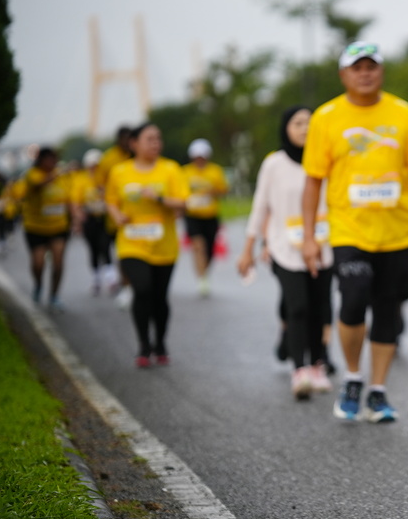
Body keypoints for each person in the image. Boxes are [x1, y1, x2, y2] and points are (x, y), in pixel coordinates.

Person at [301, 41, 408, 423]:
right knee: (352, 298)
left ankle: (378, 390)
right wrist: (310, 237)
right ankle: (352, 377)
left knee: (387, 310)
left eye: (371, 66)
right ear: (343, 74)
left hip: (399, 232)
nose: (365, 73)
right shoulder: (326, 117)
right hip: (349, 231)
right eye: (357, 67)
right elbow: (313, 181)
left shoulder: (404, 113)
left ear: (381, 71)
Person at [238, 106, 335, 400]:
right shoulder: (274, 164)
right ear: (286, 128)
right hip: (285, 248)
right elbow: (260, 207)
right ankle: (299, 370)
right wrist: (249, 249)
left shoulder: (327, 159)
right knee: (298, 307)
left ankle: (317, 365)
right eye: (298, 123)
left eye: (310, 123)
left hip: (323, 247)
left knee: (320, 309)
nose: (305, 128)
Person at [105, 123, 188, 368]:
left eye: (158, 139)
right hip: (131, 244)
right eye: (150, 139)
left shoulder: (170, 169)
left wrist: (159, 198)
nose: (156, 143)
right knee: (142, 289)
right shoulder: (120, 171)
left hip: (164, 245)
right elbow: (111, 200)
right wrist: (116, 215)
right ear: (134, 144)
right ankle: (143, 345)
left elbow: (183, 202)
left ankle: (160, 342)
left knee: (160, 297)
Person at [20, 146, 77, 310]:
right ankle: (38, 284)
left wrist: (76, 218)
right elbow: (37, 185)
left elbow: (68, 199)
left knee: (58, 262)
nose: (53, 163)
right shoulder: (33, 174)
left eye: (55, 159)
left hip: (58, 227)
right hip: (36, 227)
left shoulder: (62, 177)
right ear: (41, 160)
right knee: (39, 264)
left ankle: (54, 295)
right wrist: (57, 174)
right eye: (49, 159)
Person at [182, 138, 228, 298]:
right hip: (192, 215)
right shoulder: (185, 172)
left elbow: (224, 190)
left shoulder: (215, 171)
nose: (200, 159)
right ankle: (201, 279)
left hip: (210, 215)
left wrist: (213, 191)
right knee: (198, 246)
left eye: (202, 156)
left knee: (209, 250)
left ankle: (204, 271)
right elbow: (179, 192)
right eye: (197, 156)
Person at [97, 125, 134, 304]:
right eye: (124, 139)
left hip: (141, 218)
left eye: (130, 139)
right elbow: (100, 186)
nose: (127, 143)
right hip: (118, 218)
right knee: (124, 254)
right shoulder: (108, 159)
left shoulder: (137, 156)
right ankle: (126, 286)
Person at [71, 148, 114, 294]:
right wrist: (78, 218)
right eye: (92, 165)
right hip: (89, 219)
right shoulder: (81, 180)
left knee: (105, 246)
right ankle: (96, 278)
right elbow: (75, 202)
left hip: (104, 218)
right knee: (93, 249)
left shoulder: (106, 179)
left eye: (97, 165)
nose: (95, 168)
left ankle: (111, 278)